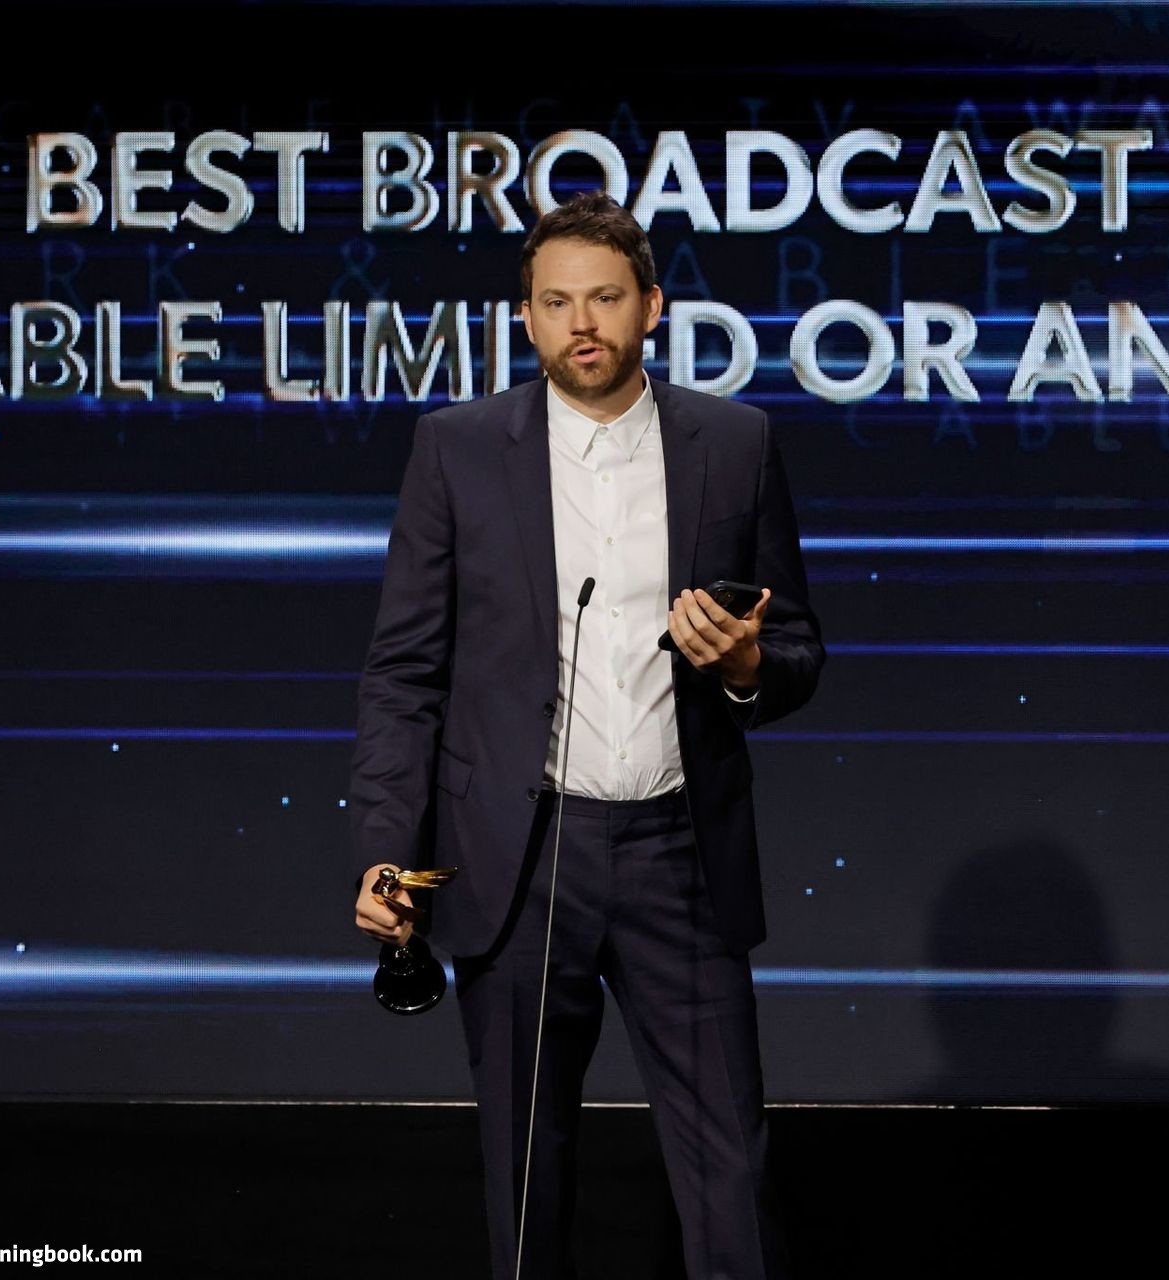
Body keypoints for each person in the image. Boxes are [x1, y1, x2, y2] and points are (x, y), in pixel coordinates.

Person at [348, 191, 823, 1280]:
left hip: (680, 854)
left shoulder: (734, 443)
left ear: (651, 306)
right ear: (526, 318)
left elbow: (797, 647)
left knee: (730, 1172)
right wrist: (385, 847)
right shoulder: (458, 450)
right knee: (526, 1178)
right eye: (556, 303)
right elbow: (404, 673)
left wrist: (745, 666)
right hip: (520, 861)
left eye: (604, 298)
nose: (582, 324)